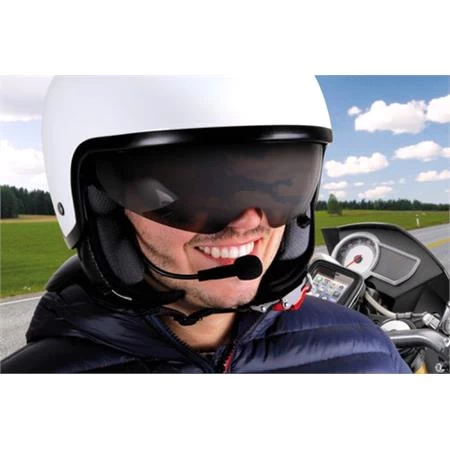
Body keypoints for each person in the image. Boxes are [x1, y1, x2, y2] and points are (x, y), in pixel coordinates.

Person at [1, 75, 410, 373]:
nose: (247, 222)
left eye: (279, 186)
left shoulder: (367, 354)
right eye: (200, 189)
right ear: (102, 205)